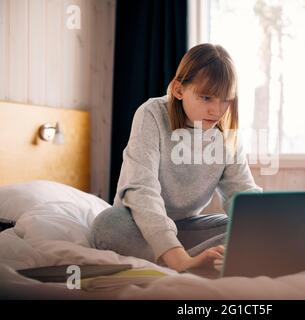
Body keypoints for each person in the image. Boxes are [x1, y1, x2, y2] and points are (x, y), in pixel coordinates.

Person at [89, 43, 262, 272]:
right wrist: (179, 259)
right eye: (207, 98)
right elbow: (142, 190)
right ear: (179, 90)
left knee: (251, 226)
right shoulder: (151, 114)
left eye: (225, 99)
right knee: (107, 226)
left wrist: (269, 222)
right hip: (138, 225)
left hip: (186, 226)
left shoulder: (226, 130)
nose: (217, 111)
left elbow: (241, 193)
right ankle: (191, 261)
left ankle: (206, 259)